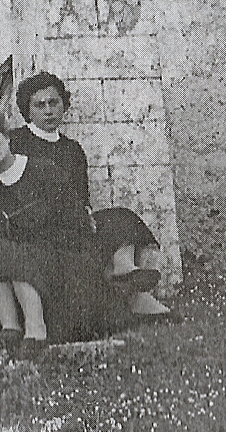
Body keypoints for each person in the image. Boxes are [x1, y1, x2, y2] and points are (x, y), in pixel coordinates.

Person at [0, 111, 133, 359]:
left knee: (12, 252)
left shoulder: (42, 170)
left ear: (6, 137)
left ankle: (35, 329)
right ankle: (11, 329)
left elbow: (76, 224)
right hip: (27, 271)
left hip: (64, 265)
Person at [9, 73, 167, 310]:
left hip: (73, 223)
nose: (49, 110)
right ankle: (127, 291)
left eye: (54, 102)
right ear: (27, 111)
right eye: (39, 105)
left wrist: (85, 213)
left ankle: (125, 270)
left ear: (64, 105)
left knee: (122, 217)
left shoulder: (72, 150)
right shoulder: (17, 142)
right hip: (38, 228)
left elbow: (82, 197)